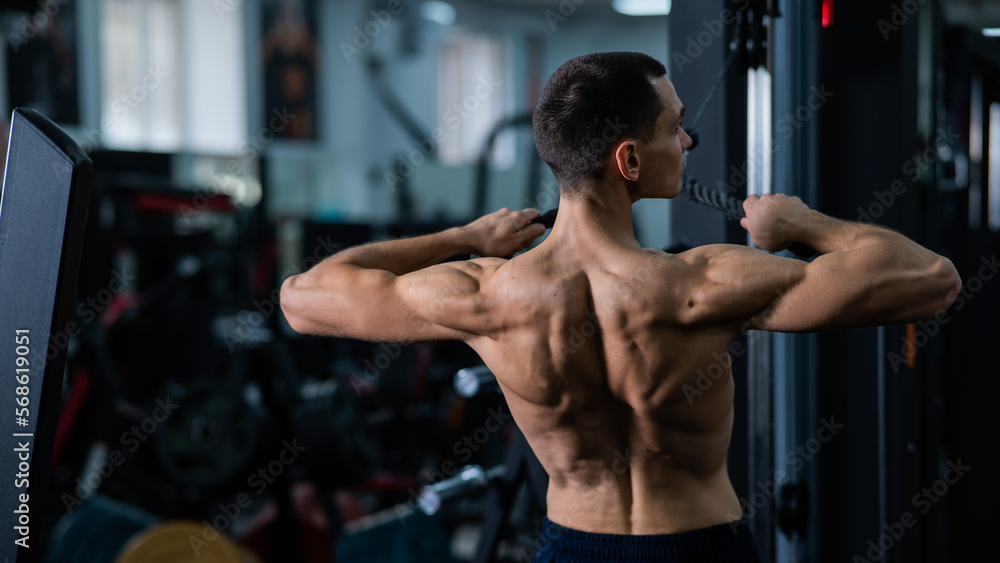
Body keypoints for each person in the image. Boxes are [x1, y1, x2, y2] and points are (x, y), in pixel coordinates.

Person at [280, 52, 961, 562]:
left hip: (574, 547)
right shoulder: (702, 283)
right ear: (629, 159)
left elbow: (302, 298)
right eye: (677, 128)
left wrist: (464, 237)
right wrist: (804, 222)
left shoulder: (487, 294)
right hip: (700, 547)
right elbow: (931, 278)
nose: (688, 143)